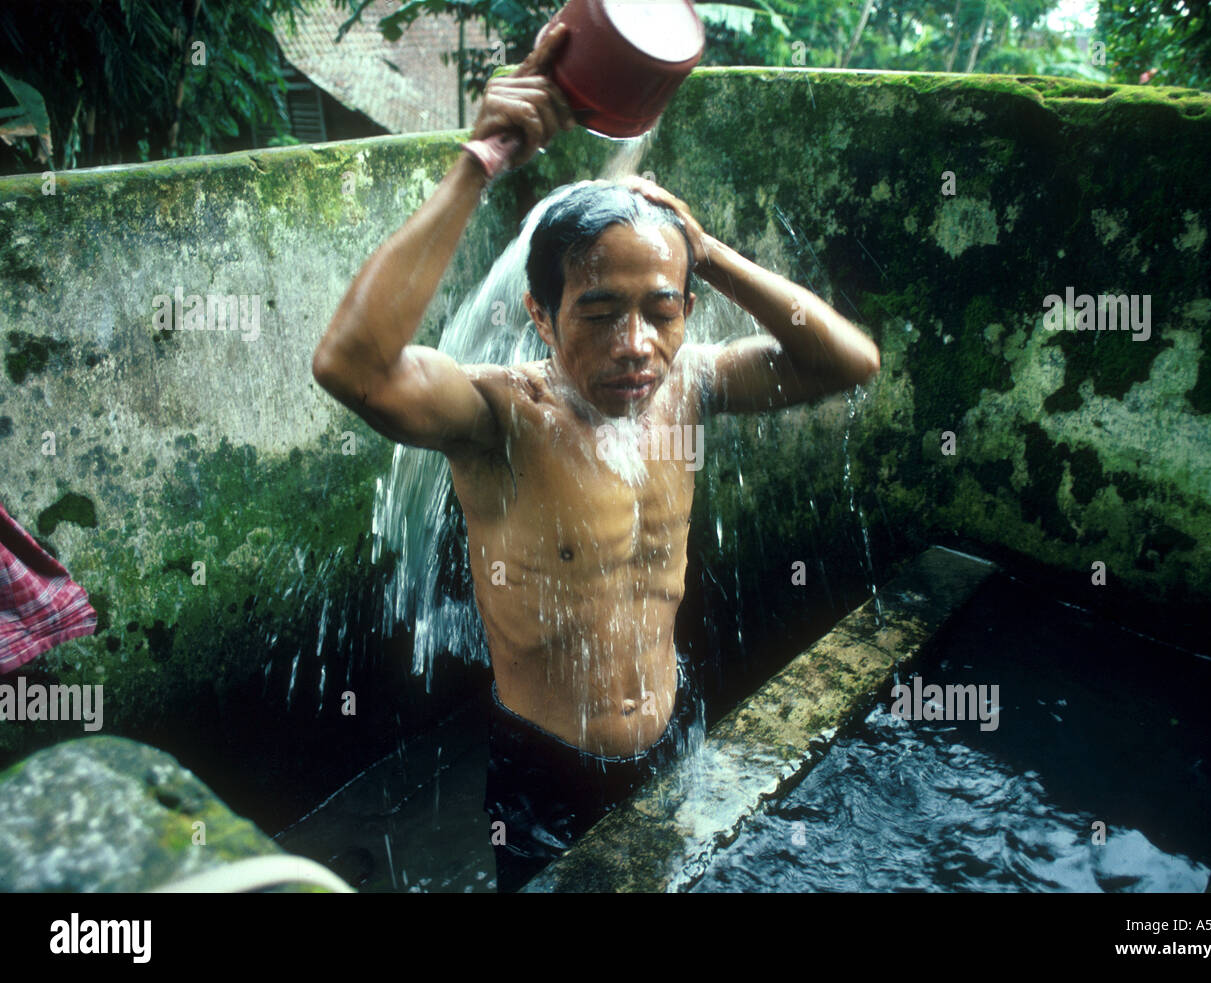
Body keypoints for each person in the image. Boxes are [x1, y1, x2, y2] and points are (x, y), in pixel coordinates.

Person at [311, 23, 881, 892]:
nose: (636, 345)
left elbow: (849, 361)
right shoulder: (499, 415)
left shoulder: (692, 385)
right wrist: (479, 162)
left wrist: (710, 253)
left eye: (662, 309)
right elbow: (353, 366)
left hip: (673, 727)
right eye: (599, 311)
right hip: (545, 767)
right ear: (541, 315)